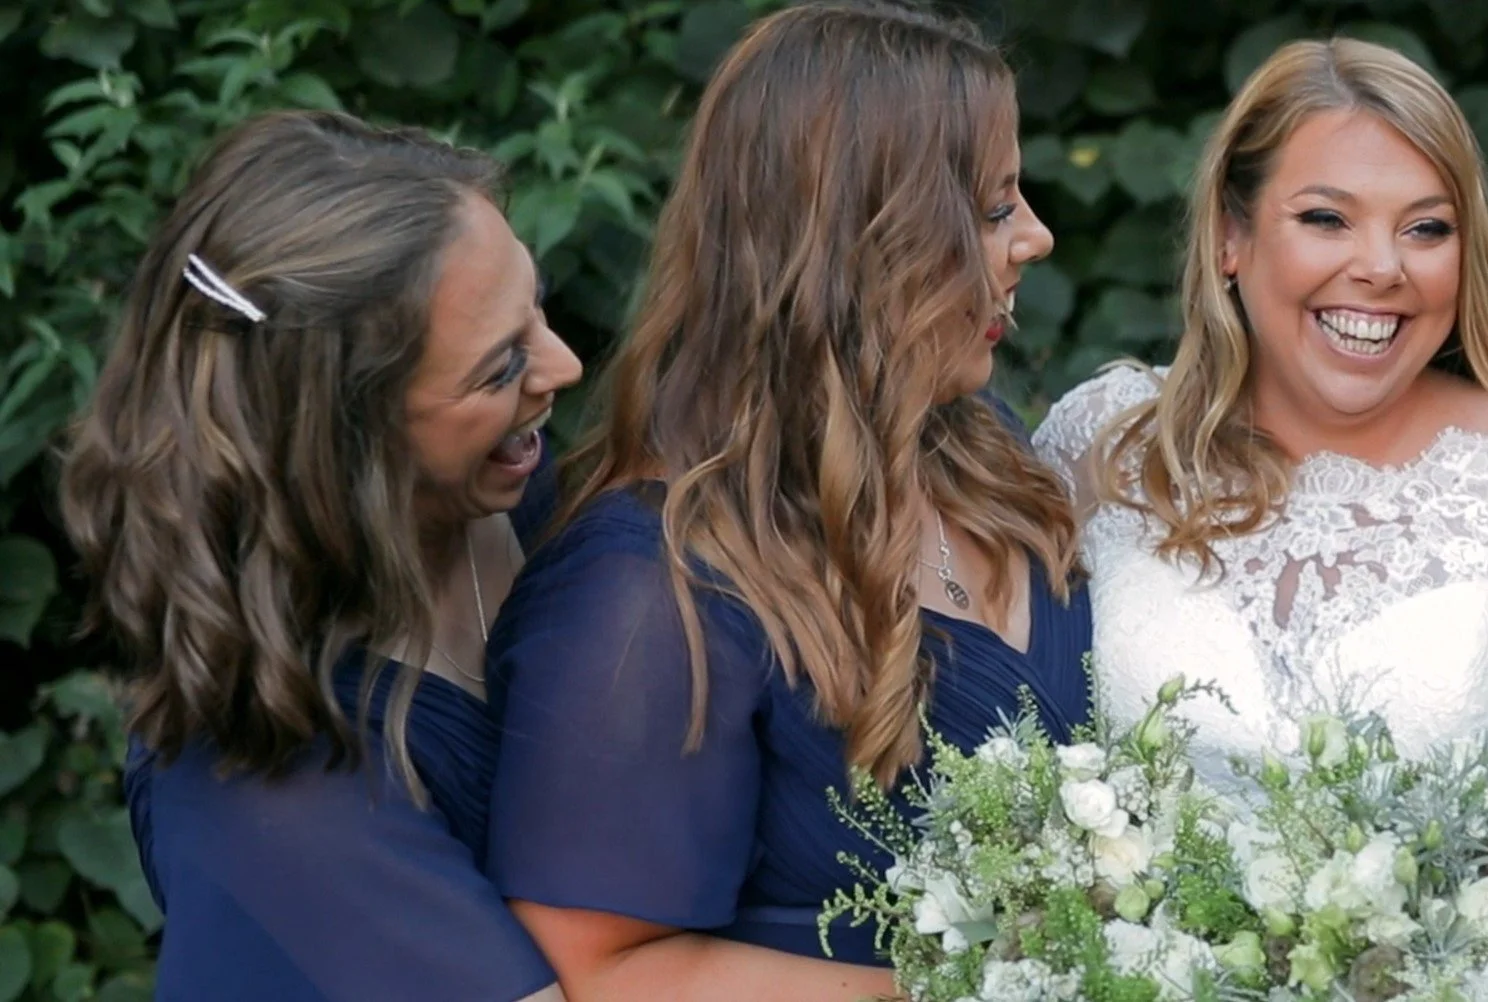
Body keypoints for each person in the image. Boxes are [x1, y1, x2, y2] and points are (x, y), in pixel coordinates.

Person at [480, 2, 1084, 998]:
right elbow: (600, 971)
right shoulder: (647, 591)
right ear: (862, 240)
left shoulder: (988, 452)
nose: (1037, 237)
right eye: (992, 208)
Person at [1034, 37, 1488, 804]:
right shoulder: (1101, 443)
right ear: (1231, 234)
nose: (1383, 267)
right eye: (1327, 218)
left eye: (1427, 229)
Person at [58, 109, 580, 1001]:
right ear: (344, 441)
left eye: (536, 308)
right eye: (498, 370)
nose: (563, 367)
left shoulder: (519, 493)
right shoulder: (264, 786)